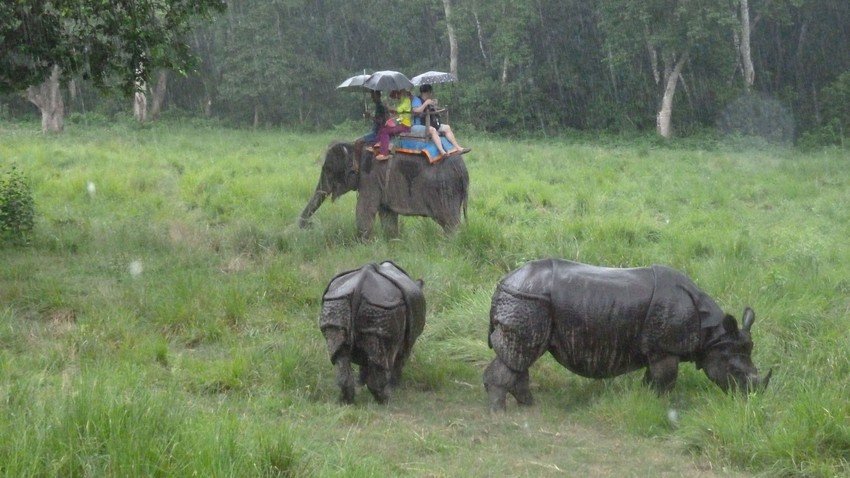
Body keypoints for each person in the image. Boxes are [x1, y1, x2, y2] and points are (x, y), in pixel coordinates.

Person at [412, 84, 470, 155]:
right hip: (419, 125)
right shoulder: (416, 100)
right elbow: (416, 111)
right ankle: (442, 151)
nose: (430, 94)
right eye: (430, 93)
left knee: (447, 128)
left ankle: (458, 147)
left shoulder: (428, 100)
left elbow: (433, 111)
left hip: (431, 122)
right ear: (425, 92)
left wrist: (434, 105)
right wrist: (425, 104)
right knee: (433, 130)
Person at [374, 89, 412, 160]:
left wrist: (388, 107)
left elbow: (398, 110)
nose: (395, 97)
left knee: (384, 131)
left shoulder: (406, 100)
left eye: (396, 94)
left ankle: (384, 153)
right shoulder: (401, 100)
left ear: (399, 93)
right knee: (383, 128)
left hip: (405, 125)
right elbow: (398, 115)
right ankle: (378, 145)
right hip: (401, 123)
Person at [354, 90, 387, 165]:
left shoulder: (380, 107)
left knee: (358, 142)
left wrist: (370, 116)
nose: (372, 97)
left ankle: (357, 165)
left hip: (377, 133)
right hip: (374, 131)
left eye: (373, 95)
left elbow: (381, 121)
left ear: (377, 95)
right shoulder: (378, 106)